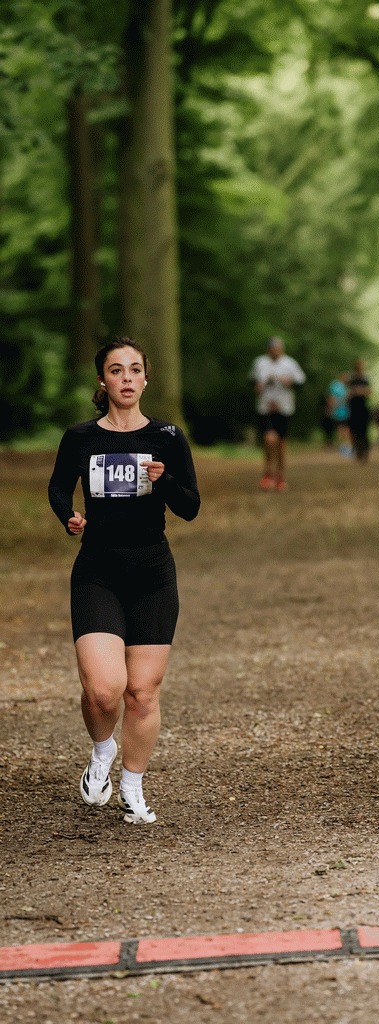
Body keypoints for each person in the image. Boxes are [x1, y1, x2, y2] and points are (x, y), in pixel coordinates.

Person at [48, 338, 200, 824]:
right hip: (98, 571)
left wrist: (165, 479)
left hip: (153, 574)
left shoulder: (167, 436)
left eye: (135, 369)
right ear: (103, 380)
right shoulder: (80, 438)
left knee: (142, 693)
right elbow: (58, 488)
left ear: (146, 379)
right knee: (103, 690)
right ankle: (102, 751)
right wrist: (69, 517)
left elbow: (190, 507)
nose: (127, 378)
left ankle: (132, 787)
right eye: (117, 370)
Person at [250, 336, 306, 491]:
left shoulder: (290, 363)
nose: (274, 351)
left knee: (281, 444)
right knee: (269, 439)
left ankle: (280, 476)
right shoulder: (260, 362)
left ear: (282, 349)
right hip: (265, 408)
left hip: (284, 408)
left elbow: (301, 381)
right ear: (268, 349)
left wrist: (289, 381)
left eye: (277, 348)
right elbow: (252, 381)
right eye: (272, 348)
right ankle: (267, 473)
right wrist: (258, 386)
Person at [347, 358, 372, 461]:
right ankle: (357, 448)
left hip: (362, 406)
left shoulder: (365, 378)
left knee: (364, 429)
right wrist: (354, 392)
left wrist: (360, 391)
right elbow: (347, 392)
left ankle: (364, 449)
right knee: (354, 429)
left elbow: (369, 392)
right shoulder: (351, 378)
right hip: (353, 407)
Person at [329, 373, 353, 456]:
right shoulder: (335, 385)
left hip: (345, 410)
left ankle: (345, 445)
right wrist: (332, 407)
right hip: (339, 411)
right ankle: (344, 446)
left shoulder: (346, 386)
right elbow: (331, 397)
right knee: (342, 428)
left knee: (345, 428)